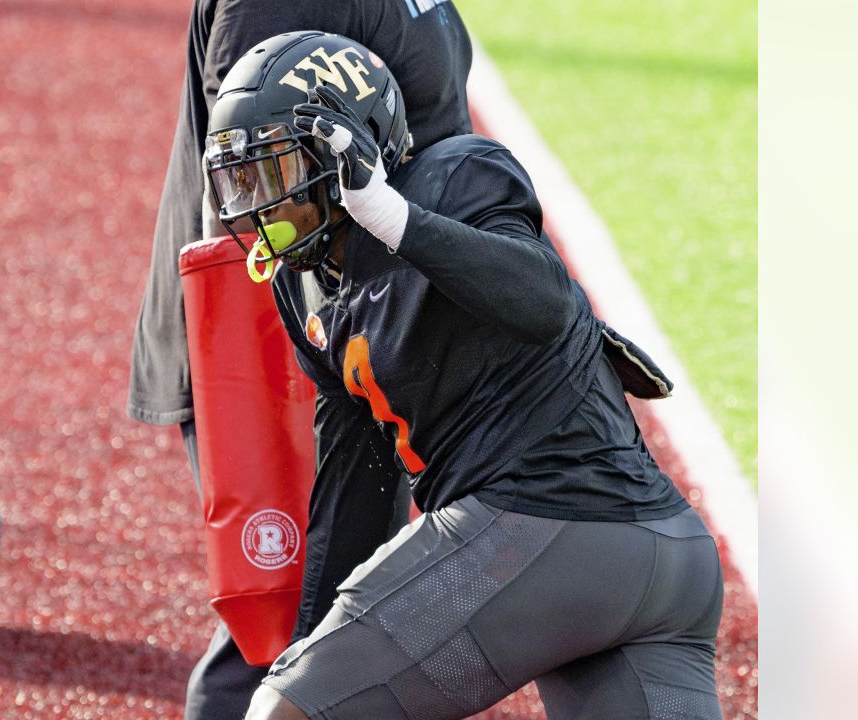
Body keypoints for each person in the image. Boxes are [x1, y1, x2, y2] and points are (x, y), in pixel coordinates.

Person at [201, 32, 726, 720]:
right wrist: (311, 647)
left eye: (274, 175)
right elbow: (356, 488)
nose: (259, 206)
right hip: (661, 558)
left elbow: (542, 300)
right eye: (241, 181)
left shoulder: (456, 175)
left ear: (344, 151)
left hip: (541, 526)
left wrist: (395, 220)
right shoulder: (309, 289)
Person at [128, 3, 475, 718]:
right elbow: (246, 187)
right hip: (288, 360)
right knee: (292, 640)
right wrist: (293, 371)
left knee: (338, 634)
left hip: (367, 348)